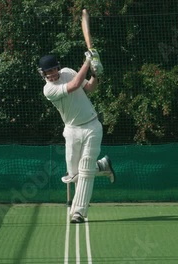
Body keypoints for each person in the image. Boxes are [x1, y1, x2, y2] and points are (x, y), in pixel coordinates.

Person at [38, 50, 115, 223]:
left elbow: (90, 88)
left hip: (92, 126)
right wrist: (87, 62)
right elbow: (73, 86)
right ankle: (102, 166)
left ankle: (78, 212)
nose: (51, 74)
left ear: (58, 67)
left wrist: (95, 74)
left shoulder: (68, 72)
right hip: (72, 130)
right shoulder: (48, 89)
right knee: (74, 175)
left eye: (53, 70)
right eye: (47, 72)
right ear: (43, 73)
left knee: (85, 170)